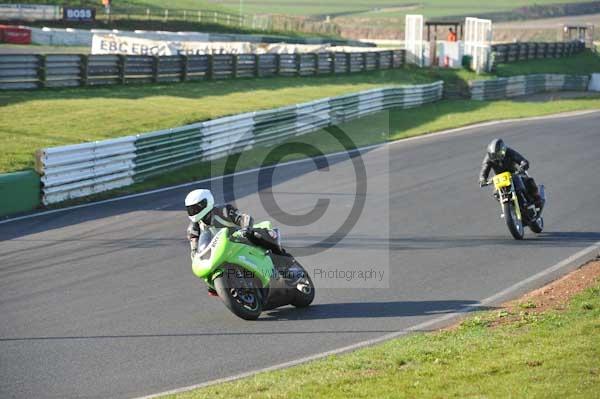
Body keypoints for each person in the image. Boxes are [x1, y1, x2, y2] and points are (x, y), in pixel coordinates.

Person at [185, 189, 284, 295]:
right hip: (219, 251)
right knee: (210, 286)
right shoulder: (193, 228)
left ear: (207, 202)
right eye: (191, 209)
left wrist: (246, 229)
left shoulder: (223, 210)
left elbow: (244, 218)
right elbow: (194, 250)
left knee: (257, 235)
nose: (194, 211)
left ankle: (284, 260)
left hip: (240, 239)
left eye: (196, 208)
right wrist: (197, 259)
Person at [479, 138, 543, 209]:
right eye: (494, 156)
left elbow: (519, 158)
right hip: (500, 178)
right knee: (496, 193)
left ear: (503, 150)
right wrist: (482, 178)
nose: (497, 158)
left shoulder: (509, 152)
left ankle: (537, 200)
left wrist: (523, 163)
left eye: (498, 154)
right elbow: (484, 168)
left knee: (528, 181)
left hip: (514, 173)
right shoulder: (488, 158)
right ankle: (508, 207)